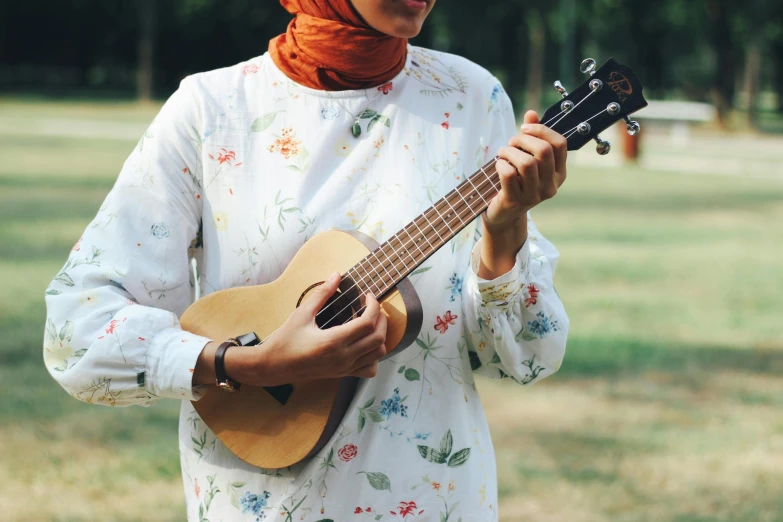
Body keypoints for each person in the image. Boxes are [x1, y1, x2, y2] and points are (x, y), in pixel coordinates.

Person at [43, 0, 569, 519]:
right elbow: (77, 328)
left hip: (433, 499)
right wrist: (249, 365)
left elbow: (525, 357)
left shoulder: (471, 98)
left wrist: (504, 234)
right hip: (260, 503)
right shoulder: (212, 110)